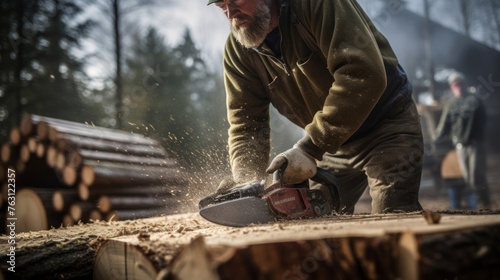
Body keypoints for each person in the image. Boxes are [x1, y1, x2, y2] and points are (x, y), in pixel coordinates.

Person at [208, 0, 424, 214]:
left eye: (236, 1)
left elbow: (363, 74)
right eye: (221, 6)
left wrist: (310, 147)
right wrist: (247, 182)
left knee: (393, 218)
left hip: (387, 127)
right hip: (332, 145)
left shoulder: (316, 5)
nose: (230, 13)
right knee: (313, 218)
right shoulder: (239, 51)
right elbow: (247, 124)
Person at [435, 72, 491, 209]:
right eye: (455, 85)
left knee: (476, 176)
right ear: (452, 88)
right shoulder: (451, 104)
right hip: (460, 146)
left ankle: (485, 205)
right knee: (467, 177)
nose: (458, 86)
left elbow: (483, 121)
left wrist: (478, 138)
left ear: (464, 85)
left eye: (460, 83)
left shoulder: (474, 100)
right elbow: (443, 126)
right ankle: (478, 206)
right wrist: (436, 138)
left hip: (475, 144)